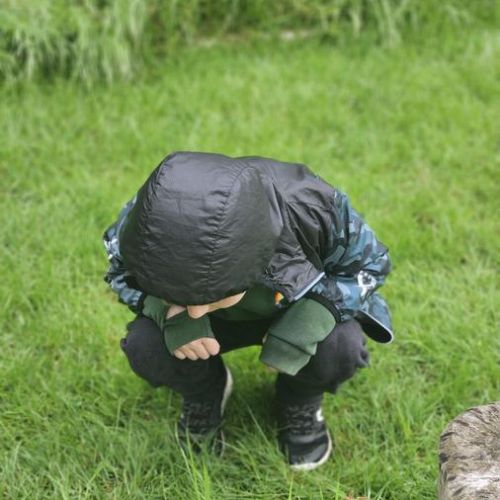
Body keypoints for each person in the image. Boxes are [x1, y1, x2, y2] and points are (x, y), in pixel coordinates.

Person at [102, 151, 393, 471]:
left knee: (341, 346)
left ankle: (298, 399)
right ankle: (205, 392)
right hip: (218, 325)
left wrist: (308, 323)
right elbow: (120, 273)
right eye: (185, 300)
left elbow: (368, 266)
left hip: (291, 306)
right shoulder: (149, 219)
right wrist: (170, 312)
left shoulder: (315, 208)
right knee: (145, 344)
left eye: (211, 297)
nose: (196, 312)